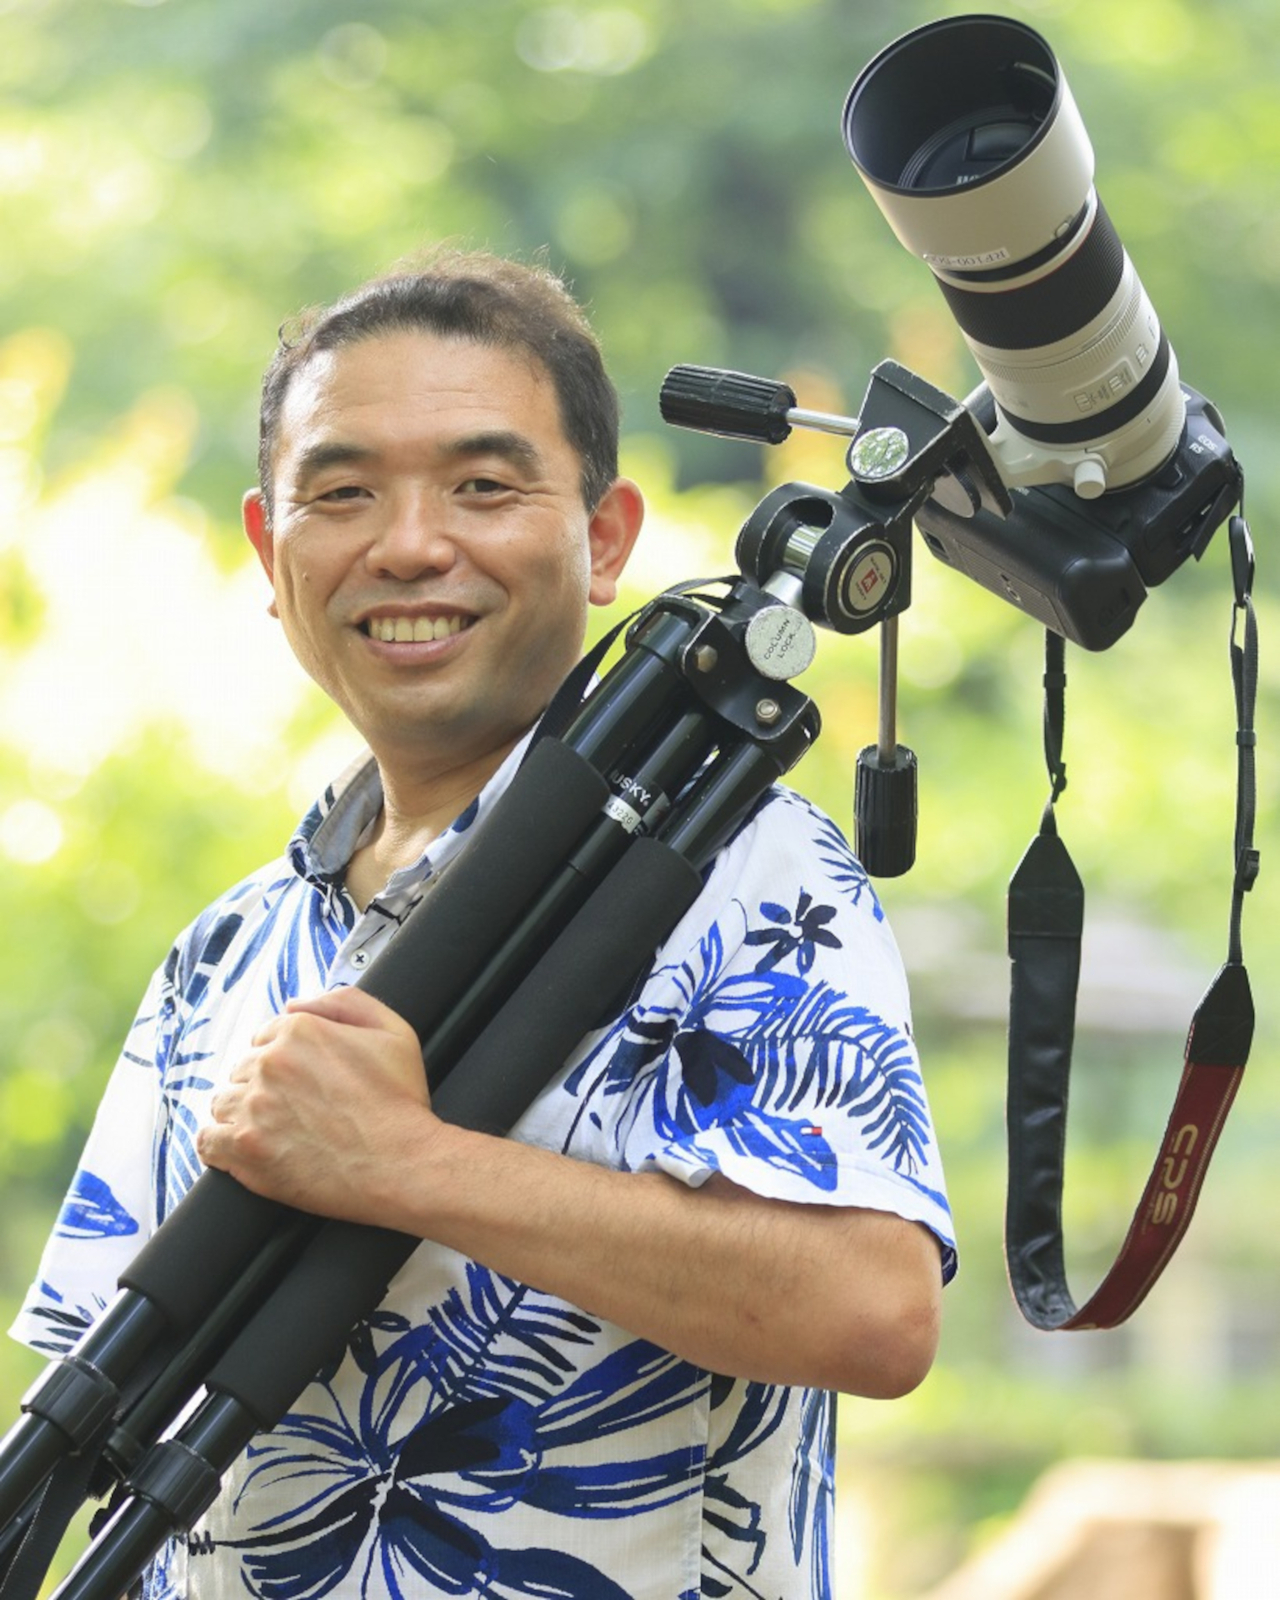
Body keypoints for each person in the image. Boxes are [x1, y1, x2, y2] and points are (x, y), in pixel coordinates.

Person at [11, 249, 956, 1600]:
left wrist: (403, 1162)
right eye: (342, 494)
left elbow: (870, 1309)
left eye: (483, 485)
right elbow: (90, 1404)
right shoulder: (227, 948)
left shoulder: (736, 866)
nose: (409, 543)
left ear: (607, 536)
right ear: (271, 556)